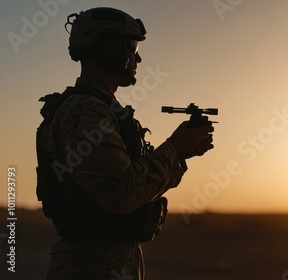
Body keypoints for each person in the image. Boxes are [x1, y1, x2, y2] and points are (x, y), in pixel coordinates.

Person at [35, 7, 214, 279]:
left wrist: (181, 155)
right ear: (109, 49)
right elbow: (120, 194)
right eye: (131, 47)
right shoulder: (87, 111)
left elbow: (134, 188)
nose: (138, 57)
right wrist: (174, 149)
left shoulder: (103, 109)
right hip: (90, 267)